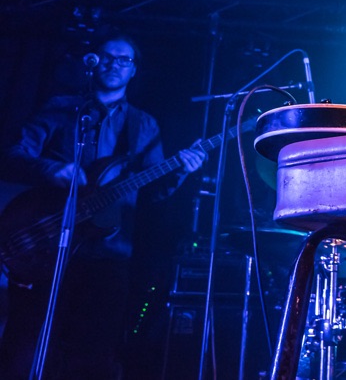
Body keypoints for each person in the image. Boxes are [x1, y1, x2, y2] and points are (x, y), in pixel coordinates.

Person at [0, 33, 206, 379]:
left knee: (94, 349)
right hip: (48, 242)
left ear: (134, 70)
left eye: (124, 60)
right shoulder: (61, 108)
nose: (114, 65)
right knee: (26, 340)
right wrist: (52, 169)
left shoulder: (144, 124)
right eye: (107, 57)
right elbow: (14, 156)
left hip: (110, 252)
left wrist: (179, 173)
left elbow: (150, 195)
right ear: (92, 62)